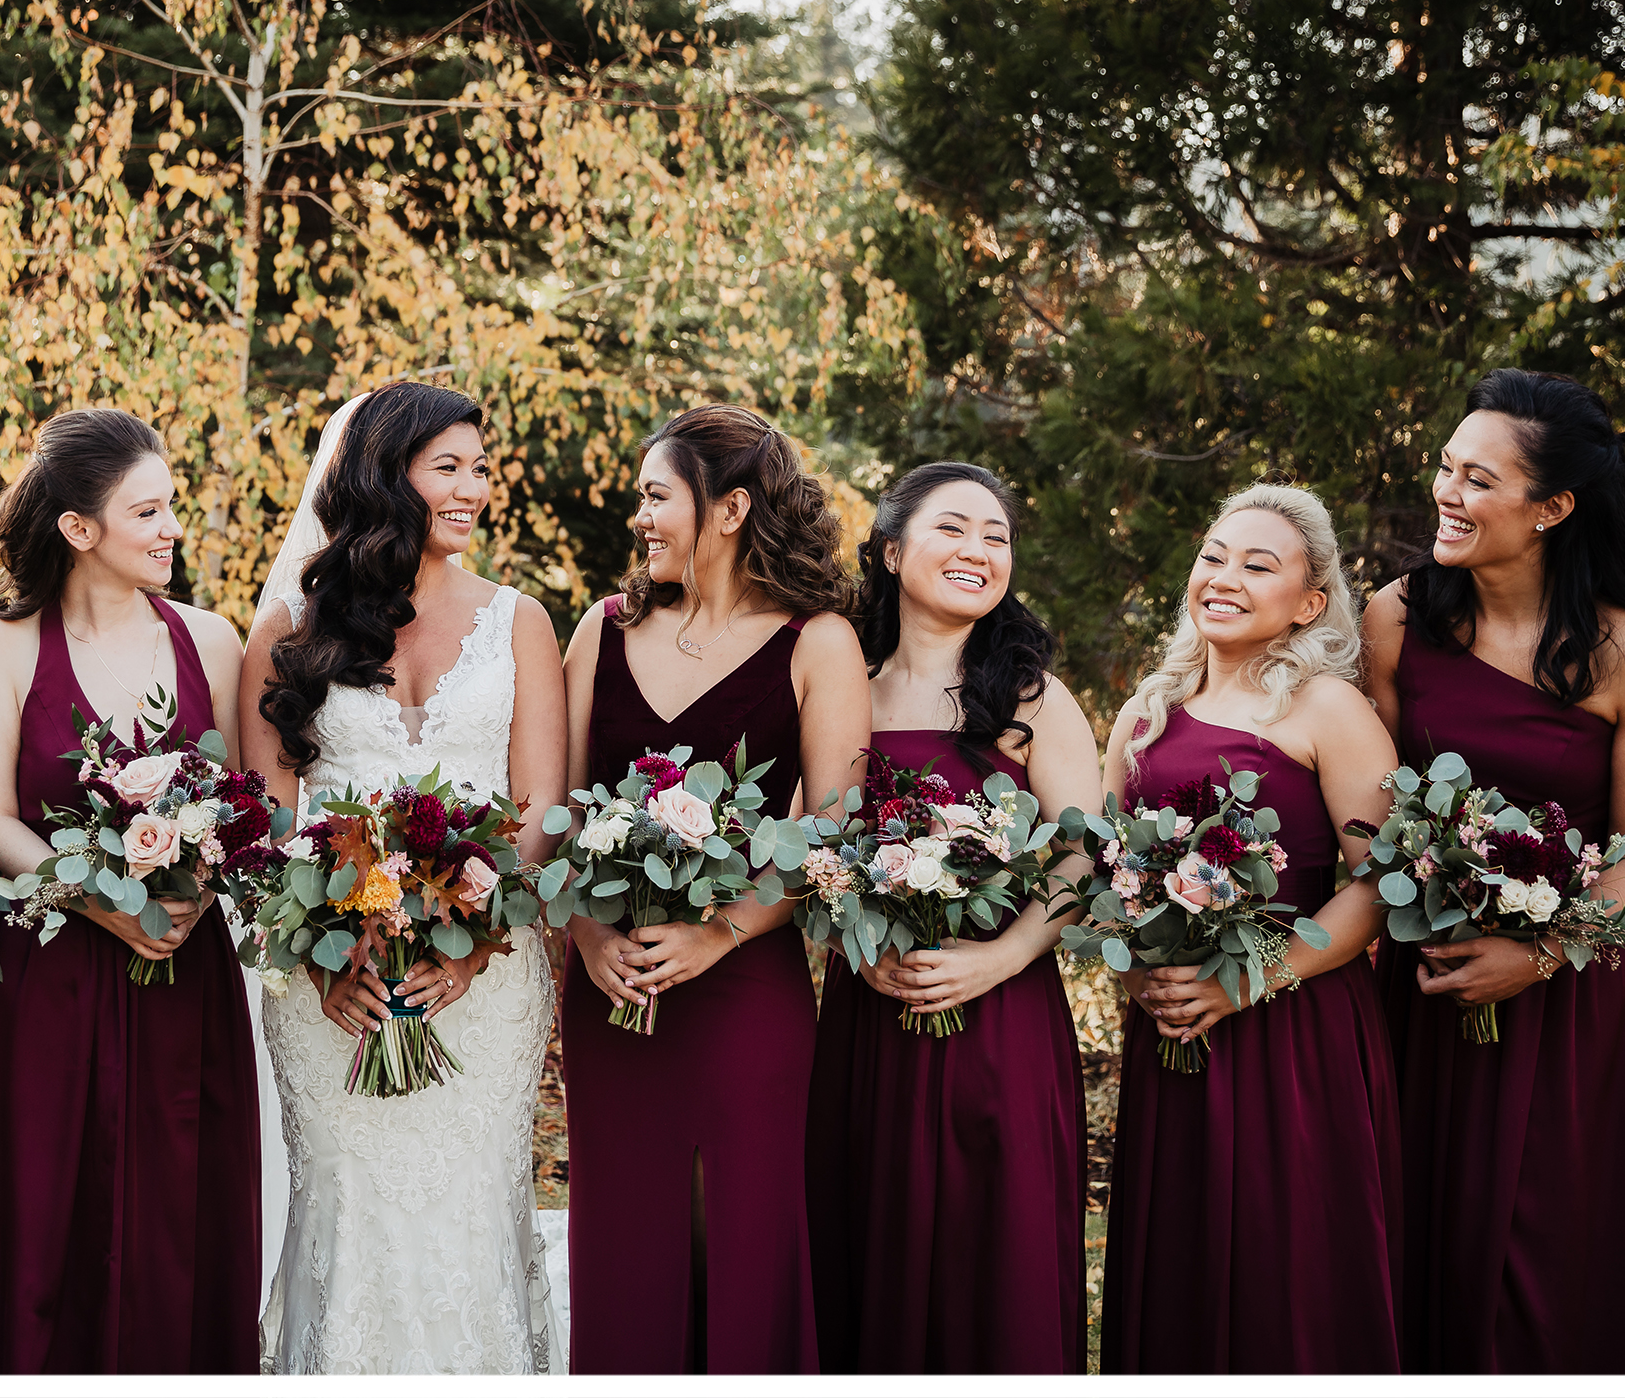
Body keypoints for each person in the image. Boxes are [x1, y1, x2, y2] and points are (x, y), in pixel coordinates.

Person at [1364, 369, 1625, 1372]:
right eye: (1444, 468)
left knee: (1553, 1273)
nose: (1446, 493)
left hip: (1575, 1008)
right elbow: (1377, 813)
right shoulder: (1397, 618)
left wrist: (1545, 951)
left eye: (1477, 478)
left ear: (1551, 507)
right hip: (1430, 985)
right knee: (1427, 1237)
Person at [240, 383, 571, 1373]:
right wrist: (317, 961)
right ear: (388, 477)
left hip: (485, 977)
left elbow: (540, 817)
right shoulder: (288, 632)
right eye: (448, 467)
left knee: (469, 1212)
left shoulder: (522, 621)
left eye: (480, 466)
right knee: (345, 1213)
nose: (473, 486)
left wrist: (472, 941)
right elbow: (261, 827)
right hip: (327, 985)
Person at [0, 409, 259, 1372]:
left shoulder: (212, 640)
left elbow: (235, 803)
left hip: (182, 973)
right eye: (147, 511)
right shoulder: (7, 644)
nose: (171, 530)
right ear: (79, 529)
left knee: (176, 1209)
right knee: (47, 1214)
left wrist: (196, 885)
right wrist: (93, 895)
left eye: (172, 508)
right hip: (54, 979)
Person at [560, 404, 869, 1374]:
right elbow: (555, 815)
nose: (640, 516)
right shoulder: (599, 630)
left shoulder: (817, 642)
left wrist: (716, 934)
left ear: (729, 507)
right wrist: (585, 937)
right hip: (611, 989)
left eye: (658, 496)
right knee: (626, 1238)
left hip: (744, 985)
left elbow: (831, 832)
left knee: (735, 1229)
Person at [1096, 484, 1401, 1372]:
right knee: (1179, 1260)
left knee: (1290, 1272)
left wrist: (1251, 977)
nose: (1223, 577)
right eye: (1213, 556)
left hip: (1296, 1029)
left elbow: (1381, 883)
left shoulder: (1328, 710)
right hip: (1174, 1027)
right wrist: (1138, 970)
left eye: (1257, 566)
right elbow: (1108, 871)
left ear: (1311, 604)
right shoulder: (1148, 710)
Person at [804, 461, 1096, 1373]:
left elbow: (1086, 855)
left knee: (992, 1261)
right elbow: (815, 841)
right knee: (869, 1238)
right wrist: (855, 925)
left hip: (1002, 1020)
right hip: (872, 1014)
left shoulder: (1033, 698)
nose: (978, 550)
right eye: (952, 529)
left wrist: (999, 958)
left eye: (996, 536)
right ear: (891, 551)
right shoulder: (839, 686)